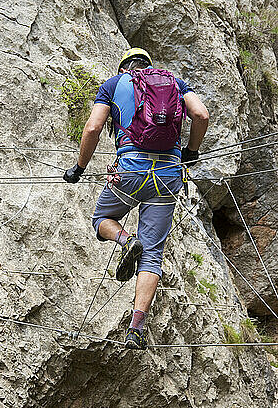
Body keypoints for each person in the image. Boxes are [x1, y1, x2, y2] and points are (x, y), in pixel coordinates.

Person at [63, 48, 209, 349]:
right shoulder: (177, 84)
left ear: (123, 68)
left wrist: (79, 168)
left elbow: (93, 127)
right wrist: (191, 152)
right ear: (150, 69)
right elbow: (201, 115)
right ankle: (136, 328)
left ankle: (125, 240)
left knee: (101, 219)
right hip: (168, 176)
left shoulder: (114, 85)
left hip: (130, 171)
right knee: (152, 254)